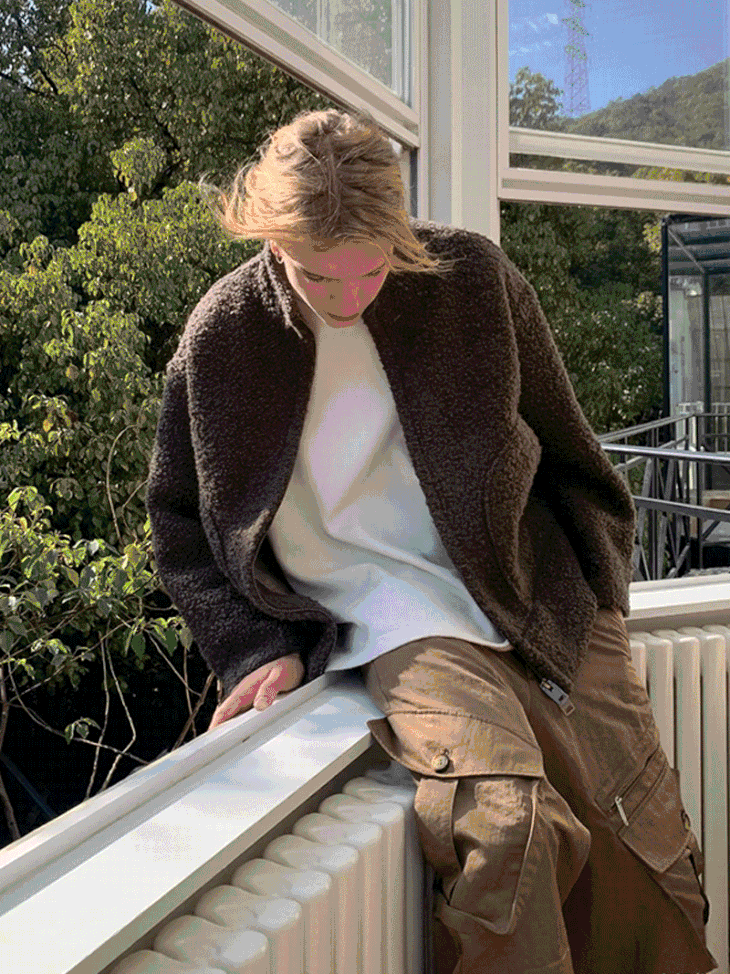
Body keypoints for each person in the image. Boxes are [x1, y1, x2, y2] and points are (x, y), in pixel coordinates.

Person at [146, 107, 716, 974]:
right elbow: (178, 519)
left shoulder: (472, 279)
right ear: (270, 239)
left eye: (371, 269)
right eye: (315, 275)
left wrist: (602, 595)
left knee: (651, 849)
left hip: (535, 585)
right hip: (393, 619)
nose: (346, 300)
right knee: (508, 834)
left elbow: (572, 449)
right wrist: (251, 644)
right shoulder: (223, 335)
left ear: (400, 232)